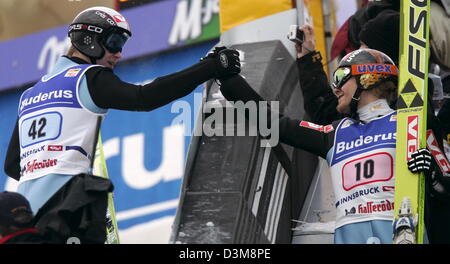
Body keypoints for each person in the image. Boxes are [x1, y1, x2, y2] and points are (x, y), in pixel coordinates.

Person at [3, 6, 240, 244]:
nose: (119, 54)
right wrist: (211, 67)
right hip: (66, 210)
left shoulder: (30, 95)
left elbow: (13, 164)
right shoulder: (90, 77)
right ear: (89, 40)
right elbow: (145, 97)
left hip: (27, 217)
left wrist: (47, 166)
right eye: (115, 43)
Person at [218, 47, 433, 243]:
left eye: (340, 78)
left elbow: (443, 189)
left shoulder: (408, 124)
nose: (335, 88)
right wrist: (228, 80)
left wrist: (432, 174)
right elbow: (276, 124)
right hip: (350, 236)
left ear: (368, 77)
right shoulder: (336, 133)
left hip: (399, 229)